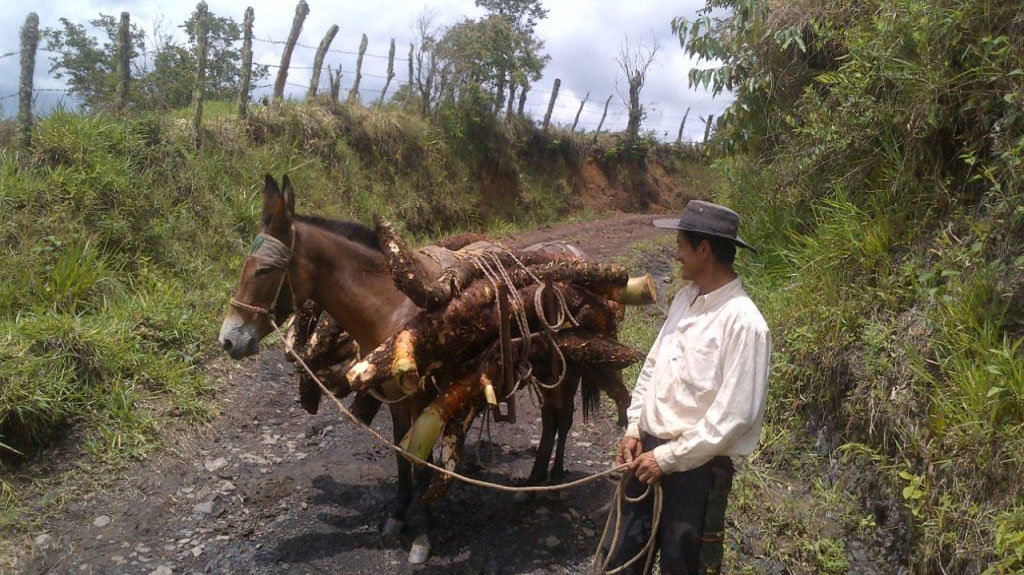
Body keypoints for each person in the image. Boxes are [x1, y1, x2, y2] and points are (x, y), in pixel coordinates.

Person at [599, 200, 771, 575]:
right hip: (647, 453)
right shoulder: (684, 299)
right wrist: (634, 428)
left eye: (680, 246)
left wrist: (668, 458)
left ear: (703, 249)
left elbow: (734, 416)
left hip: (696, 470)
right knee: (622, 560)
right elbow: (653, 367)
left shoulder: (744, 323)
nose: (676, 255)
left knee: (683, 567)